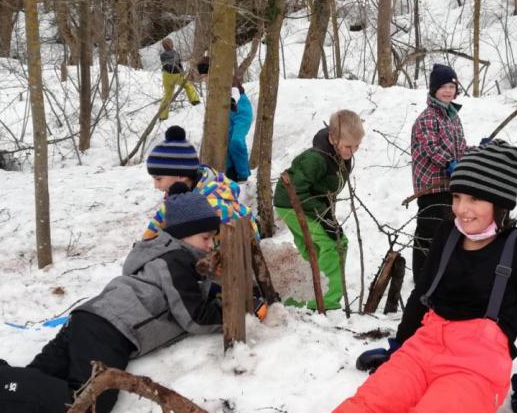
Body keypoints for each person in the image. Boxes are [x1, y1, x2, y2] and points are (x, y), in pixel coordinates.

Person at [261, 140, 517, 413]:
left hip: (476, 367)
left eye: (475, 198)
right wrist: (400, 345)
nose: (462, 208)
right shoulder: (449, 233)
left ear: (500, 203)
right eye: (458, 196)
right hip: (423, 348)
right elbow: (423, 293)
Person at [0, 187, 224, 413]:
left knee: (36, 382)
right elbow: (193, 316)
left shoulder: (161, 257)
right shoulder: (176, 261)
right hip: (110, 331)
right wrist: (230, 311)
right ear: (182, 235)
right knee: (89, 406)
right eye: (206, 237)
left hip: (90, 321)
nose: (210, 246)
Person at [273, 109, 365, 312]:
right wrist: (324, 217)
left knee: (313, 249)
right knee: (335, 244)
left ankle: (299, 299)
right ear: (332, 138)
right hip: (292, 202)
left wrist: (327, 214)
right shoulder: (316, 159)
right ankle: (325, 300)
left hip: (307, 203)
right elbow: (297, 190)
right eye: (348, 146)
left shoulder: (339, 155)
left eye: (357, 146)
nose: (353, 151)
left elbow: (324, 190)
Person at [144, 126, 259, 242]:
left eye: (158, 179)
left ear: (181, 176)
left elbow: (218, 252)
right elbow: (152, 233)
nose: (156, 186)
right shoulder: (177, 198)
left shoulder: (214, 207)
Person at [410, 63, 468, 284]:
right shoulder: (427, 118)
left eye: (451, 86)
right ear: (434, 89)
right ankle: (422, 276)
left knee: (448, 232)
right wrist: (450, 163)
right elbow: (432, 148)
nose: (448, 91)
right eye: (443, 86)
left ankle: (441, 274)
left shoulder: (452, 117)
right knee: (428, 232)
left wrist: (474, 153)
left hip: (450, 185)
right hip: (431, 186)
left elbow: (460, 147)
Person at [158, 37, 200, 120]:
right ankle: (194, 100)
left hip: (166, 76)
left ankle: (162, 116)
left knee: (167, 96)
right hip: (176, 75)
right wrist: (182, 72)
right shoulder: (175, 53)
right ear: (171, 44)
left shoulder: (162, 55)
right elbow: (179, 64)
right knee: (188, 85)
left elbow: (165, 65)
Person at [226, 78, 253, 184]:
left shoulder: (226, 77)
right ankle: (231, 173)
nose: (203, 79)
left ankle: (243, 174)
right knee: (226, 144)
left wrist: (232, 101)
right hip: (229, 113)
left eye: (204, 75)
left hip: (241, 111)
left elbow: (235, 91)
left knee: (236, 141)